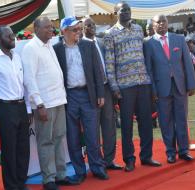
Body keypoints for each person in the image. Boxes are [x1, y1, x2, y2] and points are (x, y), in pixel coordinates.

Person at [104, 2, 161, 172]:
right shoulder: (109, 34)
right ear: (116, 13)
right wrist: (114, 87)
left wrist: (149, 80)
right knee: (127, 125)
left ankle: (147, 156)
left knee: (146, 121)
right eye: (123, 10)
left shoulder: (138, 29)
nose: (127, 12)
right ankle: (129, 159)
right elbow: (109, 63)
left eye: (128, 9)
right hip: (124, 86)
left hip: (143, 82)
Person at [22, 17, 78, 190]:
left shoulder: (49, 45)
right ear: (36, 28)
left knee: (59, 138)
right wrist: (39, 104)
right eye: (47, 27)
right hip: (45, 104)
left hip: (59, 100)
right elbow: (30, 79)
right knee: (46, 141)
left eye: (52, 27)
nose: (51, 30)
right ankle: (48, 179)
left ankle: (61, 175)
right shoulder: (30, 48)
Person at [53, 16, 108, 183]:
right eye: (75, 30)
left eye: (80, 29)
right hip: (69, 96)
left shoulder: (88, 45)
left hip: (88, 94)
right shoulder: (56, 49)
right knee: (73, 136)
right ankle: (79, 171)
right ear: (64, 31)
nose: (79, 32)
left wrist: (100, 94)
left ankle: (97, 167)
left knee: (92, 134)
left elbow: (98, 71)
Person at [144, 15, 195, 164]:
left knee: (181, 118)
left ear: (167, 23)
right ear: (153, 26)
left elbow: (187, 63)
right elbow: (149, 70)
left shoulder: (179, 39)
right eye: (158, 22)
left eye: (163, 21)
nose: (161, 24)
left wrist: (191, 85)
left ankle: (184, 150)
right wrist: (153, 90)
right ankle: (170, 152)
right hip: (161, 89)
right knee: (165, 121)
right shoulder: (148, 44)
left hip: (180, 86)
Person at [0, 26, 31, 190]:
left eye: (12, 34)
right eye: (9, 35)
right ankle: (12, 186)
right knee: (9, 150)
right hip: (5, 109)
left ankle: (21, 182)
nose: (13, 37)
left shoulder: (17, 57)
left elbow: (24, 85)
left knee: (23, 149)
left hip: (21, 107)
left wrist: (28, 108)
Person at [83, 17, 122, 170]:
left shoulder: (101, 42)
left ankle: (109, 160)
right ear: (82, 27)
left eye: (93, 24)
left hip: (106, 88)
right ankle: (97, 161)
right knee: (93, 128)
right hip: (91, 92)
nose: (91, 27)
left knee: (109, 126)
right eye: (87, 25)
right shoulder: (80, 45)